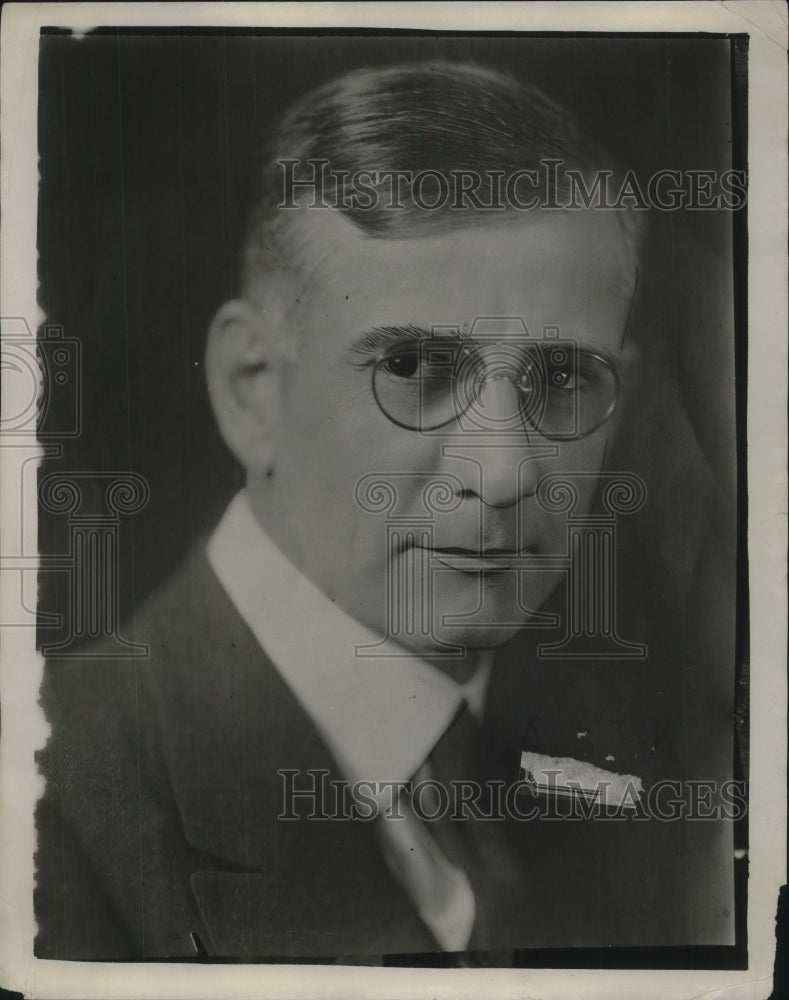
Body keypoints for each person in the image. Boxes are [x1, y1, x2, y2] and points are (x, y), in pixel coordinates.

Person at [34, 62, 735, 964]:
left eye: (562, 380)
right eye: (411, 368)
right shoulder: (49, 815)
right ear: (253, 391)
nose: (505, 471)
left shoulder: (650, 792)